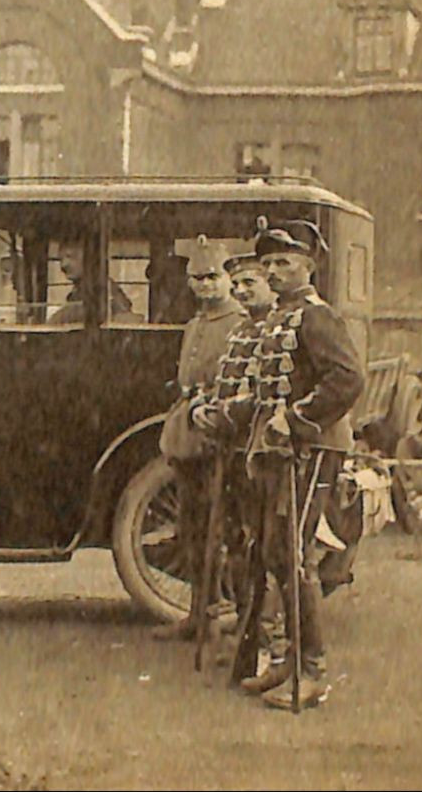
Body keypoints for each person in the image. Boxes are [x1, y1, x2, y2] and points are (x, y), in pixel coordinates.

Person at [241, 218, 365, 710]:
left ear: (309, 266)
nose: (272, 270)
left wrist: (297, 417)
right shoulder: (279, 316)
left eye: (283, 262)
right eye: (267, 262)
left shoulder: (317, 317)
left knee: (294, 553)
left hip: (312, 447)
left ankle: (313, 671)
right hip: (283, 450)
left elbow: (348, 379)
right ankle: (289, 660)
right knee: (275, 552)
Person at [190, 250, 280, 666]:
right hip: (232, 451)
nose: (242, 291)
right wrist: (204, 409)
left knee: (268, 549)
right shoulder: (243, 330)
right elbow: (225, 386)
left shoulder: (276, 330)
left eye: (251, 283)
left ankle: (269, 644)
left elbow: (263, 397)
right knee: (239, 546)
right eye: (239, 283)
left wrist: (222, 415)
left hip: (260, 454)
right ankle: (248, 636)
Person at [153, 236, 245, 641]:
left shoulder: (240, 323)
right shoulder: (194, 324)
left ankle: (241, 620)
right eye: (197, 278)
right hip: (190, 433)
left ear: (229, 279)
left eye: (213, 277)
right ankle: (198, 614)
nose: (205, 286)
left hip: (220, 434)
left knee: (224, 532)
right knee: (191, 528)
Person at [49, 241, 137, 324]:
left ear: (90, 259)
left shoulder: (105, 289)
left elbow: (124, 319)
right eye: (60, 259)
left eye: (71, 257)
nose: (63, 265)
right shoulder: (76, 294)